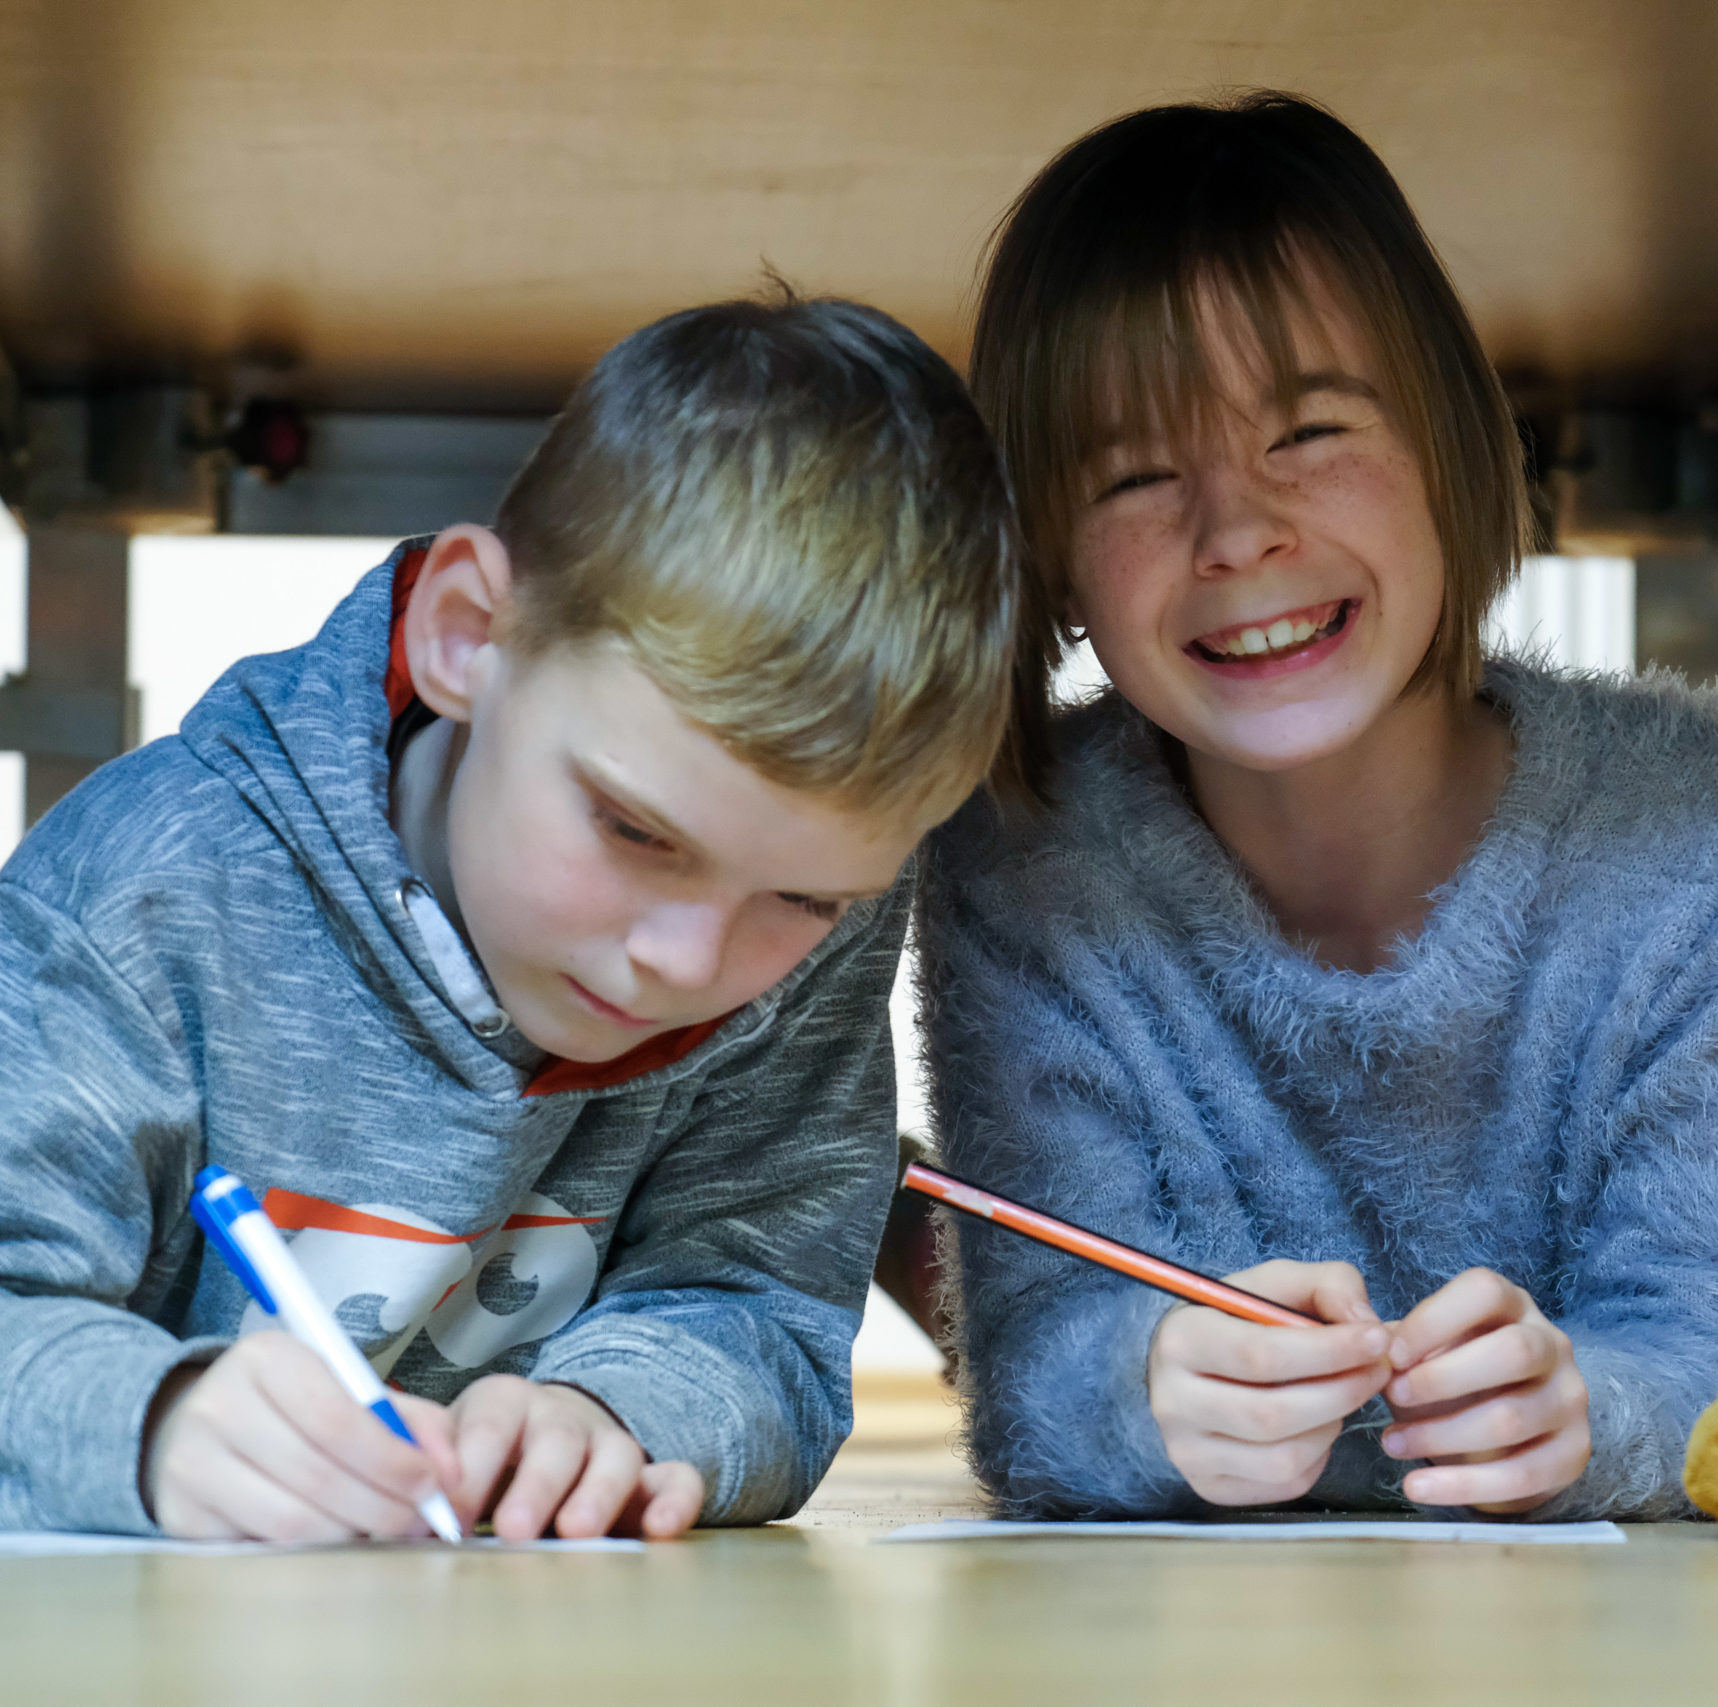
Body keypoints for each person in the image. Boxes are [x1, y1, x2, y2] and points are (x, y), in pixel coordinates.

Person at [919, 92, 1718, 1521]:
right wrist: (1150, 1389)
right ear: (1046, 554)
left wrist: (1587, 1413)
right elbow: (1042, 1375)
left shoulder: (1709, 830)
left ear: (1450, 438)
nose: (1237, 531)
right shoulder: (1018, 859)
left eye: (1307, 430)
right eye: (1134, 475)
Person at [0, 291, 1040, 1541]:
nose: (687, 961)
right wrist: (155, 1423)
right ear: (466, 635)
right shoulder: (142, 891)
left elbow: (755, 1299)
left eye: (807, 899)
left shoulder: (797, 930)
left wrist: (617, 1415)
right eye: (634, 831)